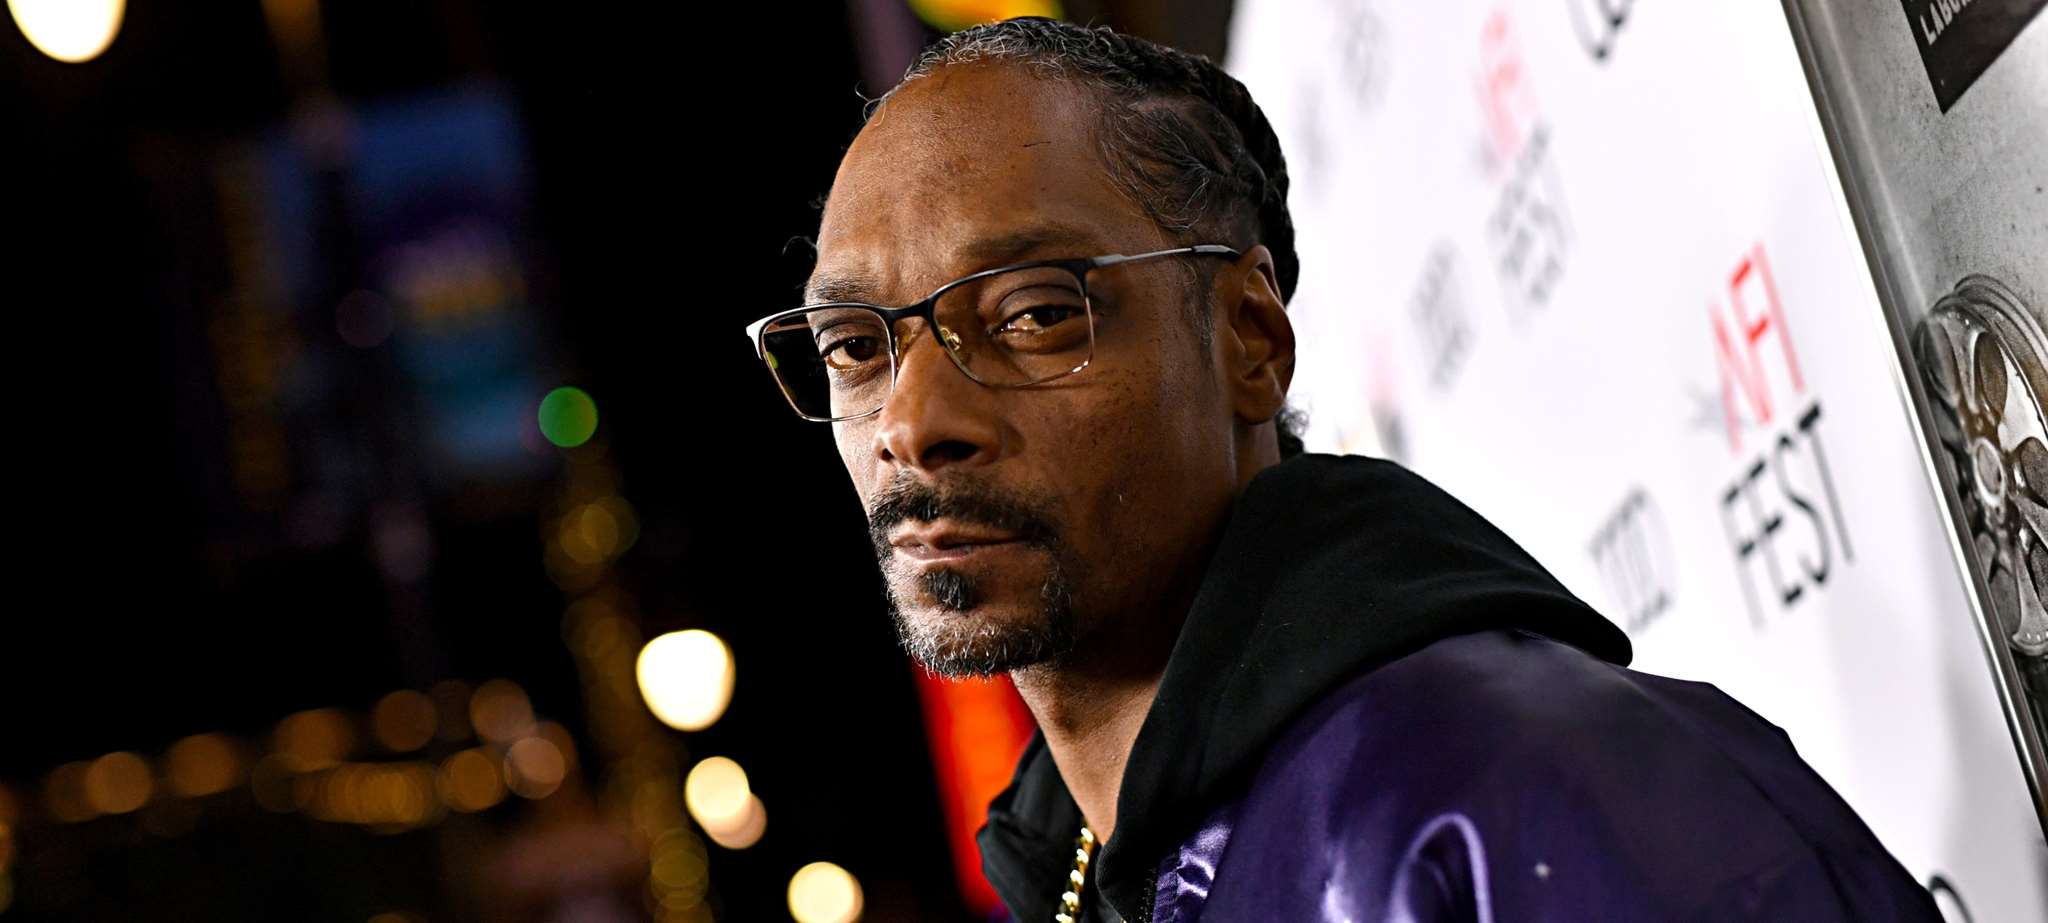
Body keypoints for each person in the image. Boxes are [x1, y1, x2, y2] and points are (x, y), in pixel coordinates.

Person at [742, 16, 1940, 923]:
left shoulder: (1534, 788)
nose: (911, 421)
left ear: (1248, 341)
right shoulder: (1077, 870)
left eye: (1034, 314)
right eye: (854, 347)